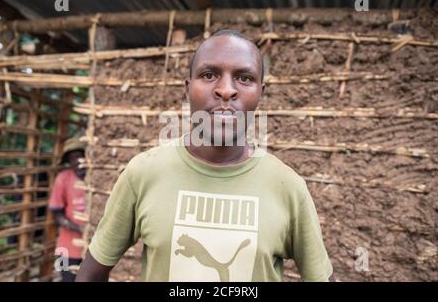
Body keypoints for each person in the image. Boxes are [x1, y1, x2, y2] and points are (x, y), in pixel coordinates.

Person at [76, 30, 333, 282]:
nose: (225, 90)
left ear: (260, 93)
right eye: (209, 75)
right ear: (188, 89)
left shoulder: (288, 188)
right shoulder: (143, 174)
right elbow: (89, 275)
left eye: (244, 78)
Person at [49, 136, 86, 282]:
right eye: (72, 158)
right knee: (67, 278)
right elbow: (57, 213)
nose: (77, 161)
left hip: (91, 249)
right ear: (68, 162)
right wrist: (78, 228)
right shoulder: (63, 178)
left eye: (79, 156)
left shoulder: (95, 179)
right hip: (66, 249)